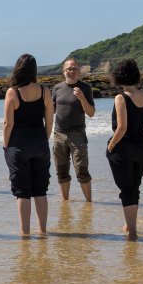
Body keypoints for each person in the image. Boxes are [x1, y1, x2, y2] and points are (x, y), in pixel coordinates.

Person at [3, 54, 53, 236]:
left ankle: (25, 232)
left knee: (22, 192)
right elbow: (50, 121)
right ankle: (43, 230)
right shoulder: (44, 90)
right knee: (40, 190)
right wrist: (43, 140)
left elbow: (8, 124)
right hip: (40, 143)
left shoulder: (13, 92)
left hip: (18, 146)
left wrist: (6, 146)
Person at [106, 59, 143, 241]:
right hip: (141, 147)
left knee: (126, 190)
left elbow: (122, 127)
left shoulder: (121, 97)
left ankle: (132, 232)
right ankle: (130, 224)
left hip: (123, 148)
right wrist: (142, 144)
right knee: (134, 188)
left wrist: (111, 145)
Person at [51, 58, 96, 202]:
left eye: (74, 69)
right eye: (69, 69)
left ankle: (89, 203)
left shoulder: (85, 88)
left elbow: (91, 113)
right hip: (59, 134)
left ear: (79, 71)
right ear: (63, 71)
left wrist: (82, 98)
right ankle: (65, 203)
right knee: (61, 171)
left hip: (77, 134)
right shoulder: (57, 88)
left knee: (82, 171)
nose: (72, 72)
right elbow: (51, 110)